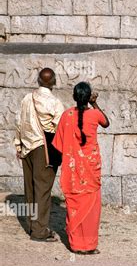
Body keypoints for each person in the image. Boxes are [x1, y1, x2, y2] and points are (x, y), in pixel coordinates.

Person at [52, 82, 110, 255]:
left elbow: (58, 144)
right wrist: (94, 103)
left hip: (73, 169)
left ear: (74, 97)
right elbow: (106, 123)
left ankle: (76, 245)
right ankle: (89, 245)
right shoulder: (94, 115)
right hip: (91, 168)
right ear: (89, 97)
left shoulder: (66, 115)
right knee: (91, 207)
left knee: (75, 203)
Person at [14, 68, 65, 242]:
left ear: (38, 80)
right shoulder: (55, 103)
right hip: (44, 149)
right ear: (54, 82)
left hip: (27, 147)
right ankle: (40, 231)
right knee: (42, 190)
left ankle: (31, 225)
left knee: (30, 190)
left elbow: (19, 122)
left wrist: (18, 145)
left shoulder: (27, 98)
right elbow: (60, 128)